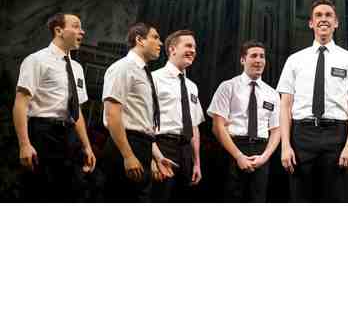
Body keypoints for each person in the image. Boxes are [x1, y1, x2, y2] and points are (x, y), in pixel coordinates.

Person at [277, 0, 348, 202]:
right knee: (301, 199)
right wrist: (285, 146)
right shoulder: (295, 60)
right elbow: (285, 106)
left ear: (336, 23)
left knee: (337, 198)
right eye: (318, 15)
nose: (323, 19)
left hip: (337, 136)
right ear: (311, 23)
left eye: (329, 15)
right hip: (302, 136)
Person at [13, 12, 96, 202]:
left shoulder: (77, 68)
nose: (82, 31)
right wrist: (24, 144)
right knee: (39, 194)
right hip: (43, 134)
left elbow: (77, 111)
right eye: (76, 26)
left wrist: (87, 146)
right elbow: (21, 103)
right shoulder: (36, 60)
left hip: (70, 138)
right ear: (59, 30)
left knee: (70, 194)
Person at [100, 22, 172, 202]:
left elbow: (142, 122)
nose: (160, 43)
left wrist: (157, 157)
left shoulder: (144, 73)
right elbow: (112, 114)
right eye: (155, 37)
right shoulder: (123, 67)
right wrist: (128, 155)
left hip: (142, 146)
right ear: (140, 40)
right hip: (125, 145)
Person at [209, 41, 280, 203]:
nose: (258, 60)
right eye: (253, 56)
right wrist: (238, 156)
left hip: (261, 151)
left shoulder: (272, 93)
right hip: (233, 148)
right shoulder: (228, 87)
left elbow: (276, 129)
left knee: (258, 199)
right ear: (242, 60)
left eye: (262, 56)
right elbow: (217, 126)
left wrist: (265, 157)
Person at [151, 30, 205, 202]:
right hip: (162, 147)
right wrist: (153, 158)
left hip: (186, 152)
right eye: (188, 46)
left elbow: (194, 126)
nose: (193, 51)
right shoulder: (154, 79)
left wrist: (196, 163)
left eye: (194, 47)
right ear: (172, 49)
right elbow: (144, 122)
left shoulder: (192, 87)